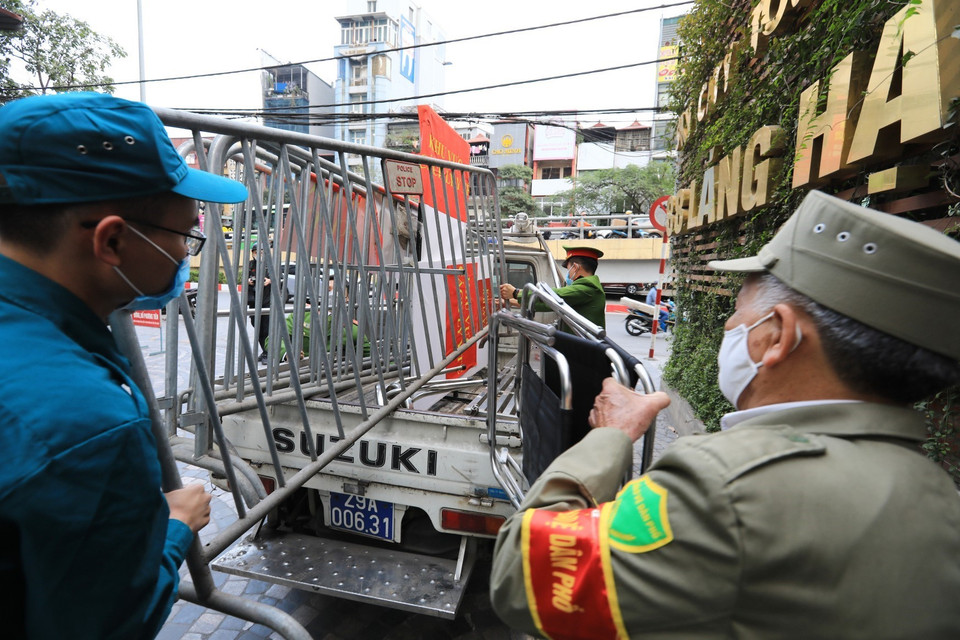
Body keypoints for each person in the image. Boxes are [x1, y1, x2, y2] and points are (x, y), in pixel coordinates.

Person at [489, 190, 960, 638]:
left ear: (777, 335)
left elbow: (520, 576)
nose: (730, 328)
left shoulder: (724, 483)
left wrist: (610, 437)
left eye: (736, 313)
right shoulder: (939, 495)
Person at [0, 92, 248, 638]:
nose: (187, 255)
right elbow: (110, 621)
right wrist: (174, 527)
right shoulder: (86, 422)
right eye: (185, 234)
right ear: (112, 239)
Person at [499, 245, 606, 329]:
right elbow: (549, 305)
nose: (568, 272)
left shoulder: (588, 288)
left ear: (576, 267)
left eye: (568, 268)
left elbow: (553, 296)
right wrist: (512, 301)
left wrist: (515, 292)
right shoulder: (587, 288)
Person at [246, 243, 272, 365]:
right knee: (257, 327)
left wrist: (269, 281)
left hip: (267, 301)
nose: (258, 254)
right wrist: (249, 281)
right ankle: (264, 350)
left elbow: (280, 278)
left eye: (261, 252)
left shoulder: (270, 264)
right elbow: (244, 278)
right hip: (254, 301)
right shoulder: (250, 265)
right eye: (256, 252)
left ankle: (268, 352)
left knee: (266, 329)